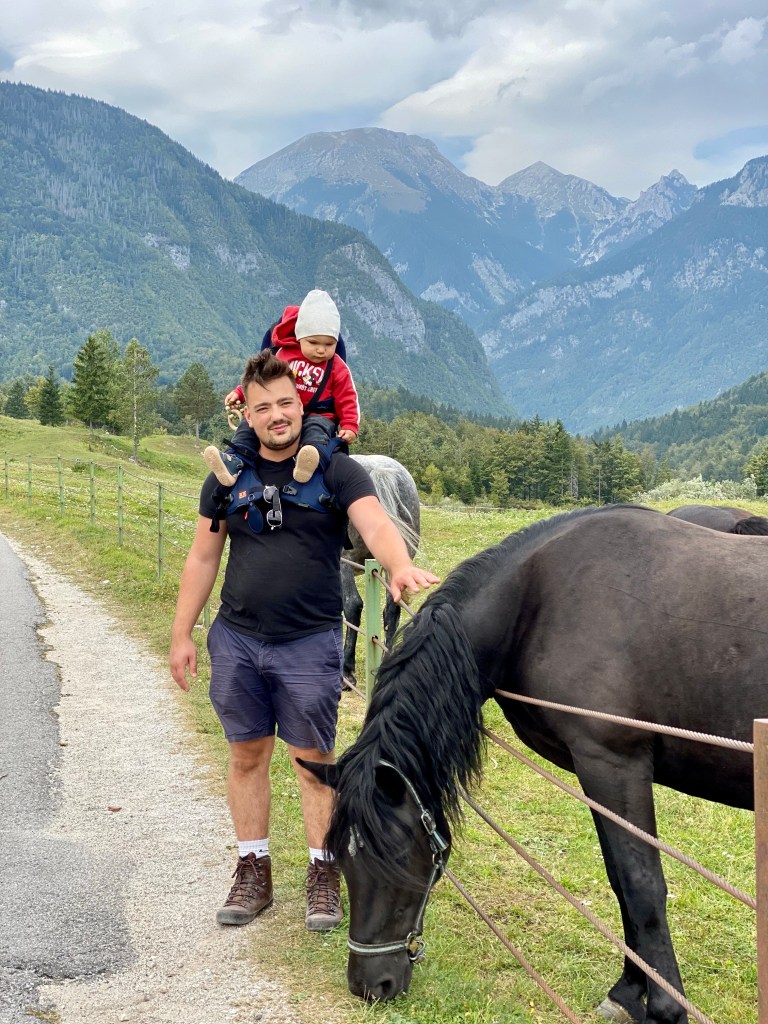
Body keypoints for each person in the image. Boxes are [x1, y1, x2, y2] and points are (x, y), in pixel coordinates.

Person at [169, 349, 439, 933]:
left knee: (314, 761)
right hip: (238, 640)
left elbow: (374, 522)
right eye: (263, 407)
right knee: (246, 756)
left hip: (309, 643)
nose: (277, 415)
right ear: (247, 414)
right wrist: (181, 632)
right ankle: (253, 870)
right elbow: (203, 557)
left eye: (286, 403)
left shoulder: (336, 471)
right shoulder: (226, 478)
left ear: (302, 405)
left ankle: (323, 873)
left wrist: (398, 566)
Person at [203, 289, 359, 487]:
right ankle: (234, 459)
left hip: (320, 415)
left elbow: (347, 397)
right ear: (300, 337)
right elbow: (262, 379)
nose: (321, 350)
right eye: (313, 342)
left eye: (329, 344)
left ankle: (309, 462)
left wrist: (349, 424)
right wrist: (240, 393)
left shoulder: (337, 367)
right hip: (284, 410)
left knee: (316, 433)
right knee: (248, 427)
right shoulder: (284, 355)